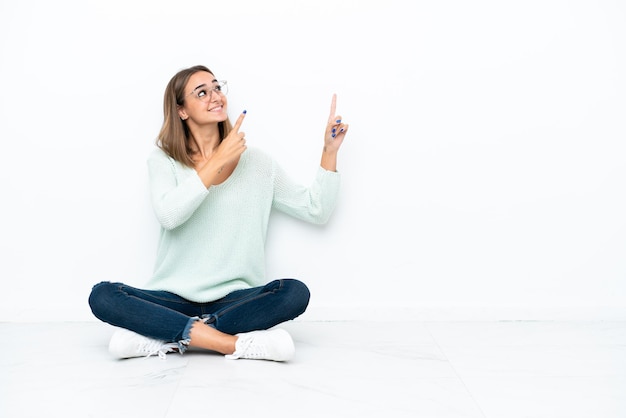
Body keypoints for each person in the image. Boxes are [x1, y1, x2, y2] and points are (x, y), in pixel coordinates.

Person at [88, 65, 349, 362]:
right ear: (182, 111)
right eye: (202, 92)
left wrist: (330, 150)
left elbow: (316, 209)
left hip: (235, 301)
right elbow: (169, 215)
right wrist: (218, 159)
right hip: (173, 298)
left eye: (216, 88)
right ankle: (231, 344)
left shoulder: (258, 164)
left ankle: (167, 335)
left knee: (294, 293)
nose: (215, 96)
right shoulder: (165, 161)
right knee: (103, 295)